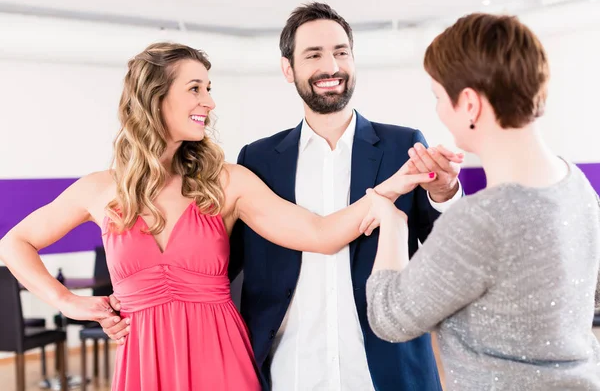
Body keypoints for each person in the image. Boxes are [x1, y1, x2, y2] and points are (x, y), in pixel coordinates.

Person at [0, 42, 435, 391]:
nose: (209, 101)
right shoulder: (98, 189)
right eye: (195, 88)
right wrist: (69, 303)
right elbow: (14, 244)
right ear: (156, 97)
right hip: (142, 364)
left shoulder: (227, 182)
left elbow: (320, 234)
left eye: (209, 88)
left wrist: (390, 189)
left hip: (221, 360)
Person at [364, 13, 600, 391]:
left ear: (469, 104)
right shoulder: (578, 187)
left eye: (439, 97)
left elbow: (390, 318)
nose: (439, 110)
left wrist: (391, 221)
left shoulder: (482, 219)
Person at [233, 2, 462, 391]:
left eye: (341, 52)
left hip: (386, 372)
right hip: (291, 372)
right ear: (288, 69)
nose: (332, 66)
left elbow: (447, 250)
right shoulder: (256, 160)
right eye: (314, 54)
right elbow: (229, 263)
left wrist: (445, 193)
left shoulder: (403, 146)